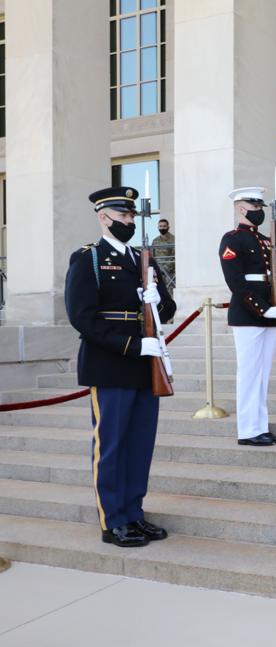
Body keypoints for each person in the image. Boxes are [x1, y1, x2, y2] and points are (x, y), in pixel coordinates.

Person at [64, 186, 177, 547]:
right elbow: (82, 318)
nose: (129, 221)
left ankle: (134, 513)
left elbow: (170, 309)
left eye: (131, 216)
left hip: (146, 366)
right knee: (111, 444)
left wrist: (157, 300)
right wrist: (131, 344)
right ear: (103, 217)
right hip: (111, 363)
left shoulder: (143, 258)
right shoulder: (89, 259)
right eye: (122, 216)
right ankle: (113, 520)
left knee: (140, 444)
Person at [219, 186, 276, 447]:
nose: (258, 211)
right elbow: (236, 282)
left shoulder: (265, 240)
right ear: (240, 208)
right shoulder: (232, 239)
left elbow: (275, 266)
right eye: (254, 207)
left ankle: (260, 426)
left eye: (260, 207)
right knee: (249, 374)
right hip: (249, 314)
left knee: (262, 375)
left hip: (269, 313)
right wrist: (263, 308)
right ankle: (247, 430)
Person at [151, 218, 175, 292]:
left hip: (170, 273)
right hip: (158, 271)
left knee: (170, 292)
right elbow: (152, 256)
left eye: (164, 226)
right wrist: (156, 269)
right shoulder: (155, 241)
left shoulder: (173, 240)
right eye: (160, 226)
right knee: (159, 291)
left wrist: (165, 269)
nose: (162, 228)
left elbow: (175, 257)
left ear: (168, 227)